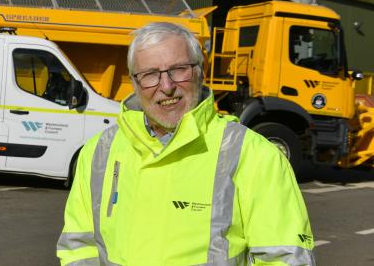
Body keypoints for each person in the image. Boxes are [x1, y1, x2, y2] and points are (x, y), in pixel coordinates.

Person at [57, 22, 315, 265]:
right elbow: (79, 248)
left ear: (200, 72)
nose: (166, 86)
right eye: (150, 75)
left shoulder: (254, 155)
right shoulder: (98, 153)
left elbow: (284, 258)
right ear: (135, 83)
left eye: (178, 69)